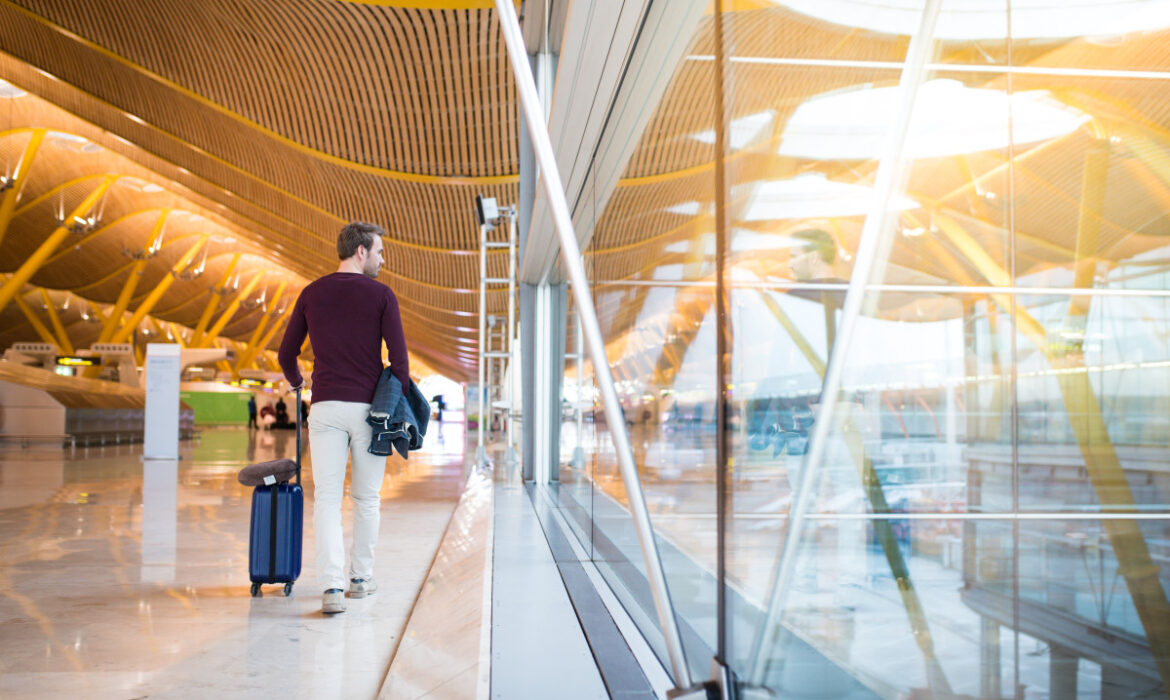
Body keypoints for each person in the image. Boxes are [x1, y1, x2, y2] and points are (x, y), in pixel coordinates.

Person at [278, 221, 410, 615]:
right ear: (361, 252)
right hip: (369, 410)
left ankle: (331, 588)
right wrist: (392, 396)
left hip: (325, 408)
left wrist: (299, 381)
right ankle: (359, 579)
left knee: (328, 500)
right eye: (379, 252)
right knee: (367, 498)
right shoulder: (381, 295)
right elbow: (400, 362)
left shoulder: (311, 293)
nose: (382, 259)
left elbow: (287, 354)